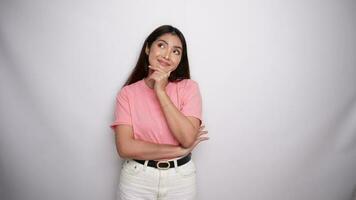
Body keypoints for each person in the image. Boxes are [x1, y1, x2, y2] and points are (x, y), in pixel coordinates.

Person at [110, 25, 209, 200]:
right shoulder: (127, 94)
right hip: (137, 179)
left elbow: (187, 137)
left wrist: (161, 92)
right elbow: (125, 147)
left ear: (180, 59)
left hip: (180, 180)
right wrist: (178, 151)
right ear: (148, 48)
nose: (167, 55)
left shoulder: (189, 88)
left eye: (176, 51)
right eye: (162, 45)